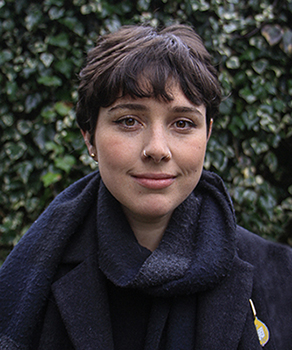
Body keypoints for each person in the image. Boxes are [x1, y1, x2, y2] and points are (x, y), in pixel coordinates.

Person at [0, 24, 291, 350]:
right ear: (88, 136)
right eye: (129, 120)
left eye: (182, 123)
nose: (157, 148)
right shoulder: (33, 279)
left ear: (207, 134)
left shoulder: (281, 277)